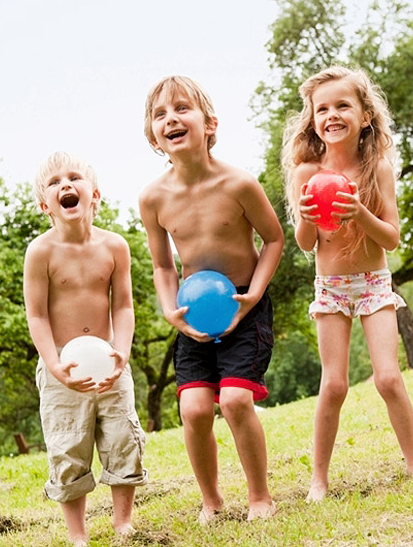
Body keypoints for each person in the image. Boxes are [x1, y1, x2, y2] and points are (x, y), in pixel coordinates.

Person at [282, 65, 413, 502]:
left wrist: (359, 213)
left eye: (342, 105)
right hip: (330, 287)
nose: (332, 114)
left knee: (388, 377)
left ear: (365, 115)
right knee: (334, 384)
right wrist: (309, 219)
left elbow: (392, 236)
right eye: (322, 108)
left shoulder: (377, 168)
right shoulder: (305, 173)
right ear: (312, 119)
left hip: (373, 282)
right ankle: (319, 480)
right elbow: (307, 243)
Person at [139, 75, 284, 523]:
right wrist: (169, 310)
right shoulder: (153, 198)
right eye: (160, 115)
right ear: (153, 136)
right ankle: (212, 501)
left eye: (182, 108)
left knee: (237, 400)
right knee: (195, 408)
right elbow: (164, 266)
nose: (171, 119)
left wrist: (253, 295)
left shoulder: (239, 184)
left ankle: (260, 497)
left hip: (245, 307)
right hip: (193, 315)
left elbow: (275, 239)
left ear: (210, 123)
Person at [23, 151, 148, 546]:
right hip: (63, 370)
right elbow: (37, 316)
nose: (66, 185)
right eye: (55, 182)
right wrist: (54, 365)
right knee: (67, 445)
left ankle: (122, 523)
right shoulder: (40, 252)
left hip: (110, 363)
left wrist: (122, 352)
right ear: (46, 205)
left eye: (74, 177)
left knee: (121, 439)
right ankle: (78, 535)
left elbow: (123, 304)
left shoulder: (115, 246)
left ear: (95, 194)